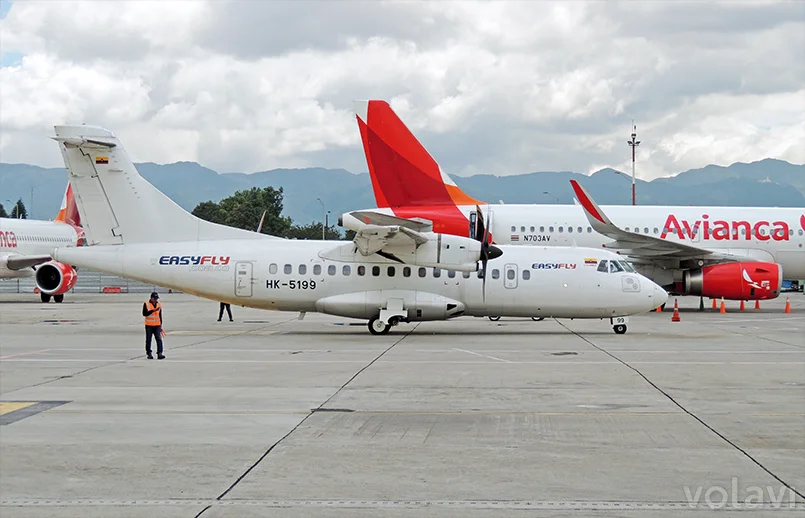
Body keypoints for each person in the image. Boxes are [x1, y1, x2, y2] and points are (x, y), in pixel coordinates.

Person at [142, 291, 165, 359]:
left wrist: (160, 324)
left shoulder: (159, 304)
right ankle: (149, 353)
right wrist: (153, 310)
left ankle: (160, 353)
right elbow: (144, 314)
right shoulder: (146, 304)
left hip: (157, 325)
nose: (156, 300)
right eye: (154, 298)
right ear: (151, 298)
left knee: (159, 339)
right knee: (148, 340)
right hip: (149, 325)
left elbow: (160, 315)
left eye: (156, 298)